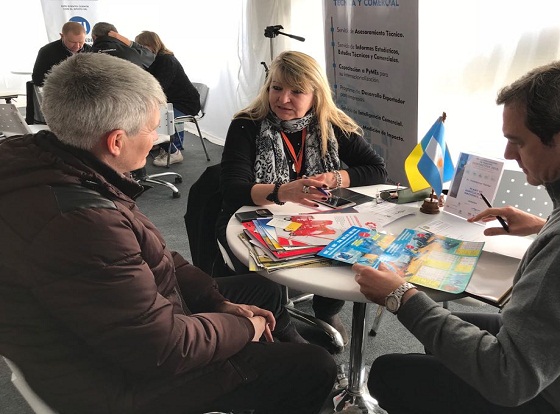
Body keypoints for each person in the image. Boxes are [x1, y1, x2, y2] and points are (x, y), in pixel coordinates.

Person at [0, 53, 335, 414]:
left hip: (120, 331)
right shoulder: (81, 224)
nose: (158, 139)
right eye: (153, 128)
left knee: (262, 289)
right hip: (116, 383)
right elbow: (165, 350)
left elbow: (156, 256)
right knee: (315, 366)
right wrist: (243, 329)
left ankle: (265, 368)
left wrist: (218, 303)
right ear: (116, 141)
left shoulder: (58, 166)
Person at [354, 59, 560, 414]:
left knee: (389, 372)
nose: (509, 154)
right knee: (452, 331)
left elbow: (509, 379)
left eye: (517, 142)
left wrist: (400, 296)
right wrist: (545, 225)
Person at [218, 50, 388, 343]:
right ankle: (280, 323)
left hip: (311, 217)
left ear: (315, 95)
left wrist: (335, 177)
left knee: (349, 246)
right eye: (276, 88)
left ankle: (325, 308)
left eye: (296, 91)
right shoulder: (247, 124)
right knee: (265, 285)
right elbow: (233, 189)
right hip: (254, 217)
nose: (283, 99)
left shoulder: (329, 124)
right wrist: (284, 191)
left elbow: (376, 169)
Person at [134, 30, 200, 167]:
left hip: (185, 103)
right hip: (173, 101)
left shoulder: (166, 60)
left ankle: (174, 152)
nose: (141, 51)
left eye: (143, 47)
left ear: (153, 45)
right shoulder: (154, 59)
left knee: (155, 117)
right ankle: (164, 144)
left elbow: (159, 87)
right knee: (154, 113)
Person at [32, 21, 92, 87]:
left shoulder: (90, 51)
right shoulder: (47, 51)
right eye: (72, 42)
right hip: (57, 93)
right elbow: (37, 79)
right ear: (62, 36)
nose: (77, 46)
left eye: (81, 42)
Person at [90, 22, 155, 69]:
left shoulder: (86, 55)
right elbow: (150, 56)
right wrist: (126, 41)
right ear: (117, 35)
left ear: (93, 37)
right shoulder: (131, 53)